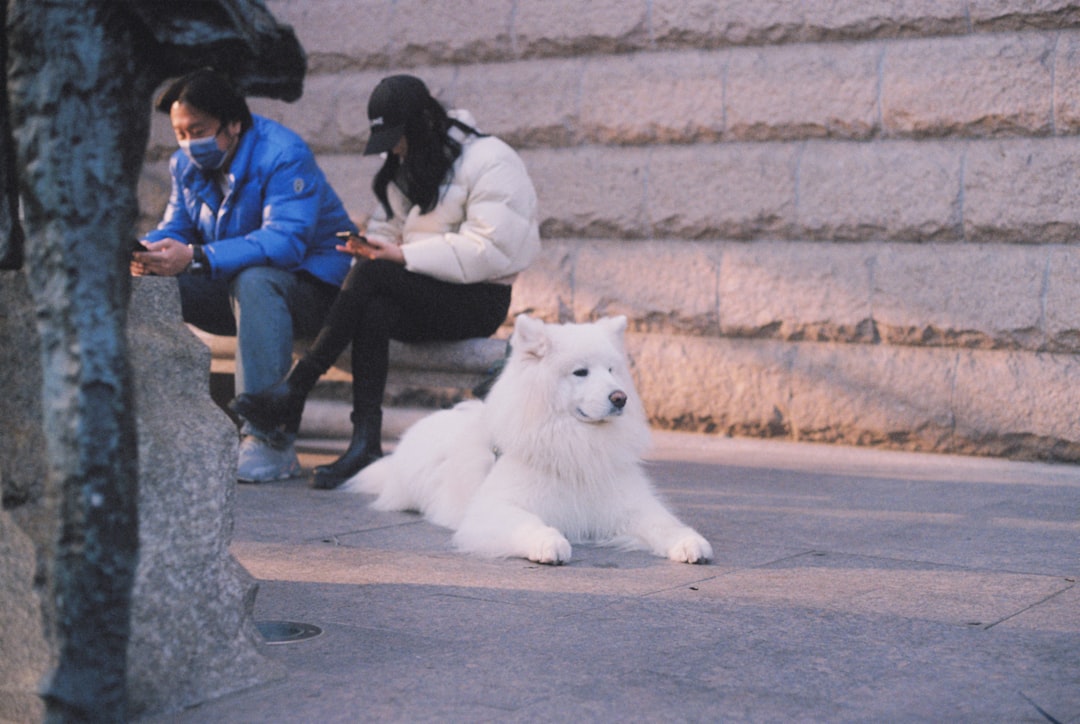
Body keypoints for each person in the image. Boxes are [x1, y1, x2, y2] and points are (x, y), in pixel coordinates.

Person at [230, 74, 541, 490]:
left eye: (398, 137)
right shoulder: (407, 163)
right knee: (373, 304)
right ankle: (364, 442)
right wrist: (372, 245)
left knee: (376, 276)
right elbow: (390, 230)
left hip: (478, 300)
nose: (394, 148)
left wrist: (400, 255)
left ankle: (297, 388)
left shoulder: (492, 159)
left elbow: (492, 250)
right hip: (418, 290)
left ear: (422, 124)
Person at [131, 69, 357, 483]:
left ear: (234, 123)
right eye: (180, 133)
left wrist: (197, 256)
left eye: (197, 130)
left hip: (310, 293)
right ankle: (139, 422)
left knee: (257, 279)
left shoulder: (283, 154)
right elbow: (176, 227)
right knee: (142, 279)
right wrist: (145, 251)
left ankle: (269, 440)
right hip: (236, 285)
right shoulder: (184, 165)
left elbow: (285, 243)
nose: (187, 143)